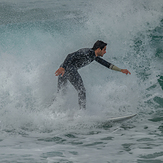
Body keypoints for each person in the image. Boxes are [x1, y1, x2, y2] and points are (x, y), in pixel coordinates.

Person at [55, 40, 131, 109]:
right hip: (67, 69)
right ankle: (82, 113)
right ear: (98, 49)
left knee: (61, 92)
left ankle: (54, 109)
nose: (105, 52)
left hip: (63, 69)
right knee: (82, 91)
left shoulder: (94, 56)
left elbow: (106, 64)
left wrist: (121, 70)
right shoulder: (87, 52)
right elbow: (70, 56)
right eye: (104, 49)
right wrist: (63, 67)